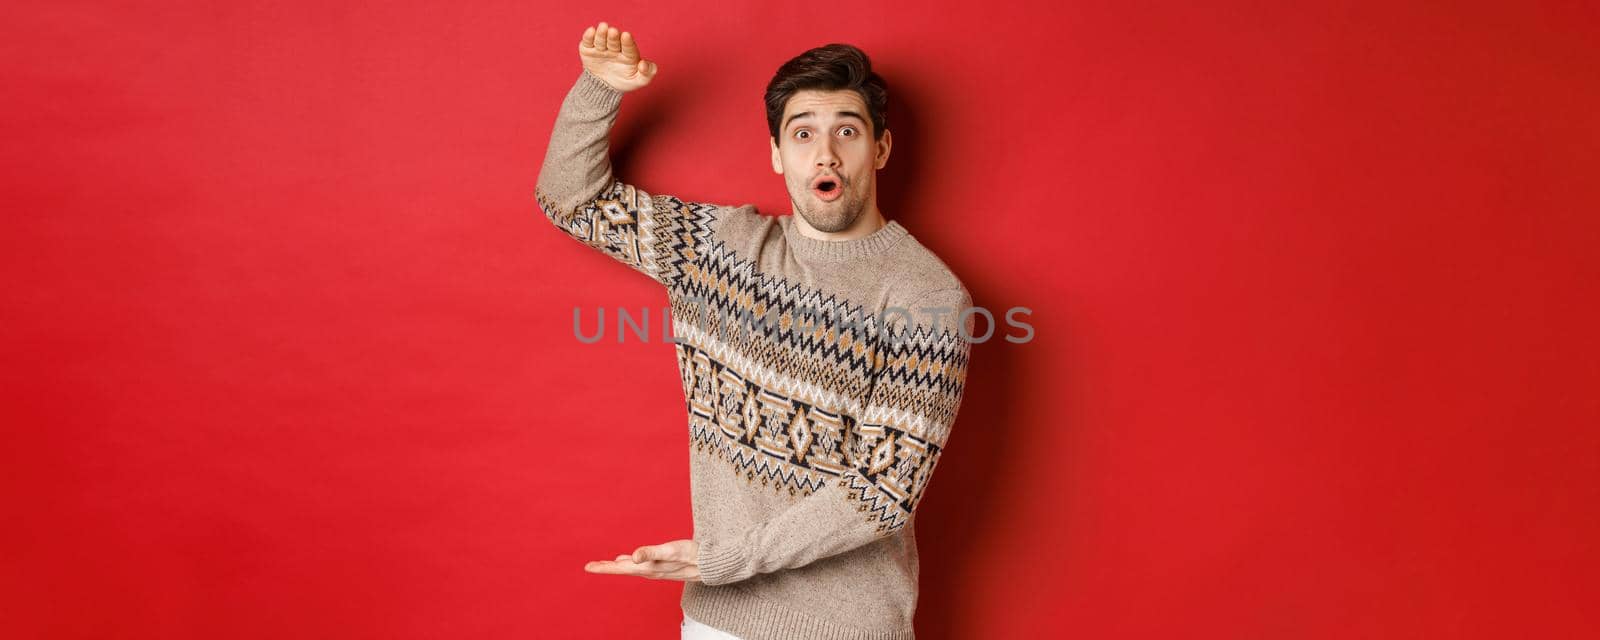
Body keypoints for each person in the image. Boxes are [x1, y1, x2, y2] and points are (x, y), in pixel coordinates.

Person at [536, 21, 975, 640]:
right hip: (717, 622)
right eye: (803, 134)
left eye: (846, 131)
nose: (825, 153)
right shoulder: (718, 251)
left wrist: (727, 561)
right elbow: (569, 200)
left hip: (846, 629)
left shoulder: (927, 297)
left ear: (879, 150)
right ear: (776, 154)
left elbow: (883, 490)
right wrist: (598, 89)